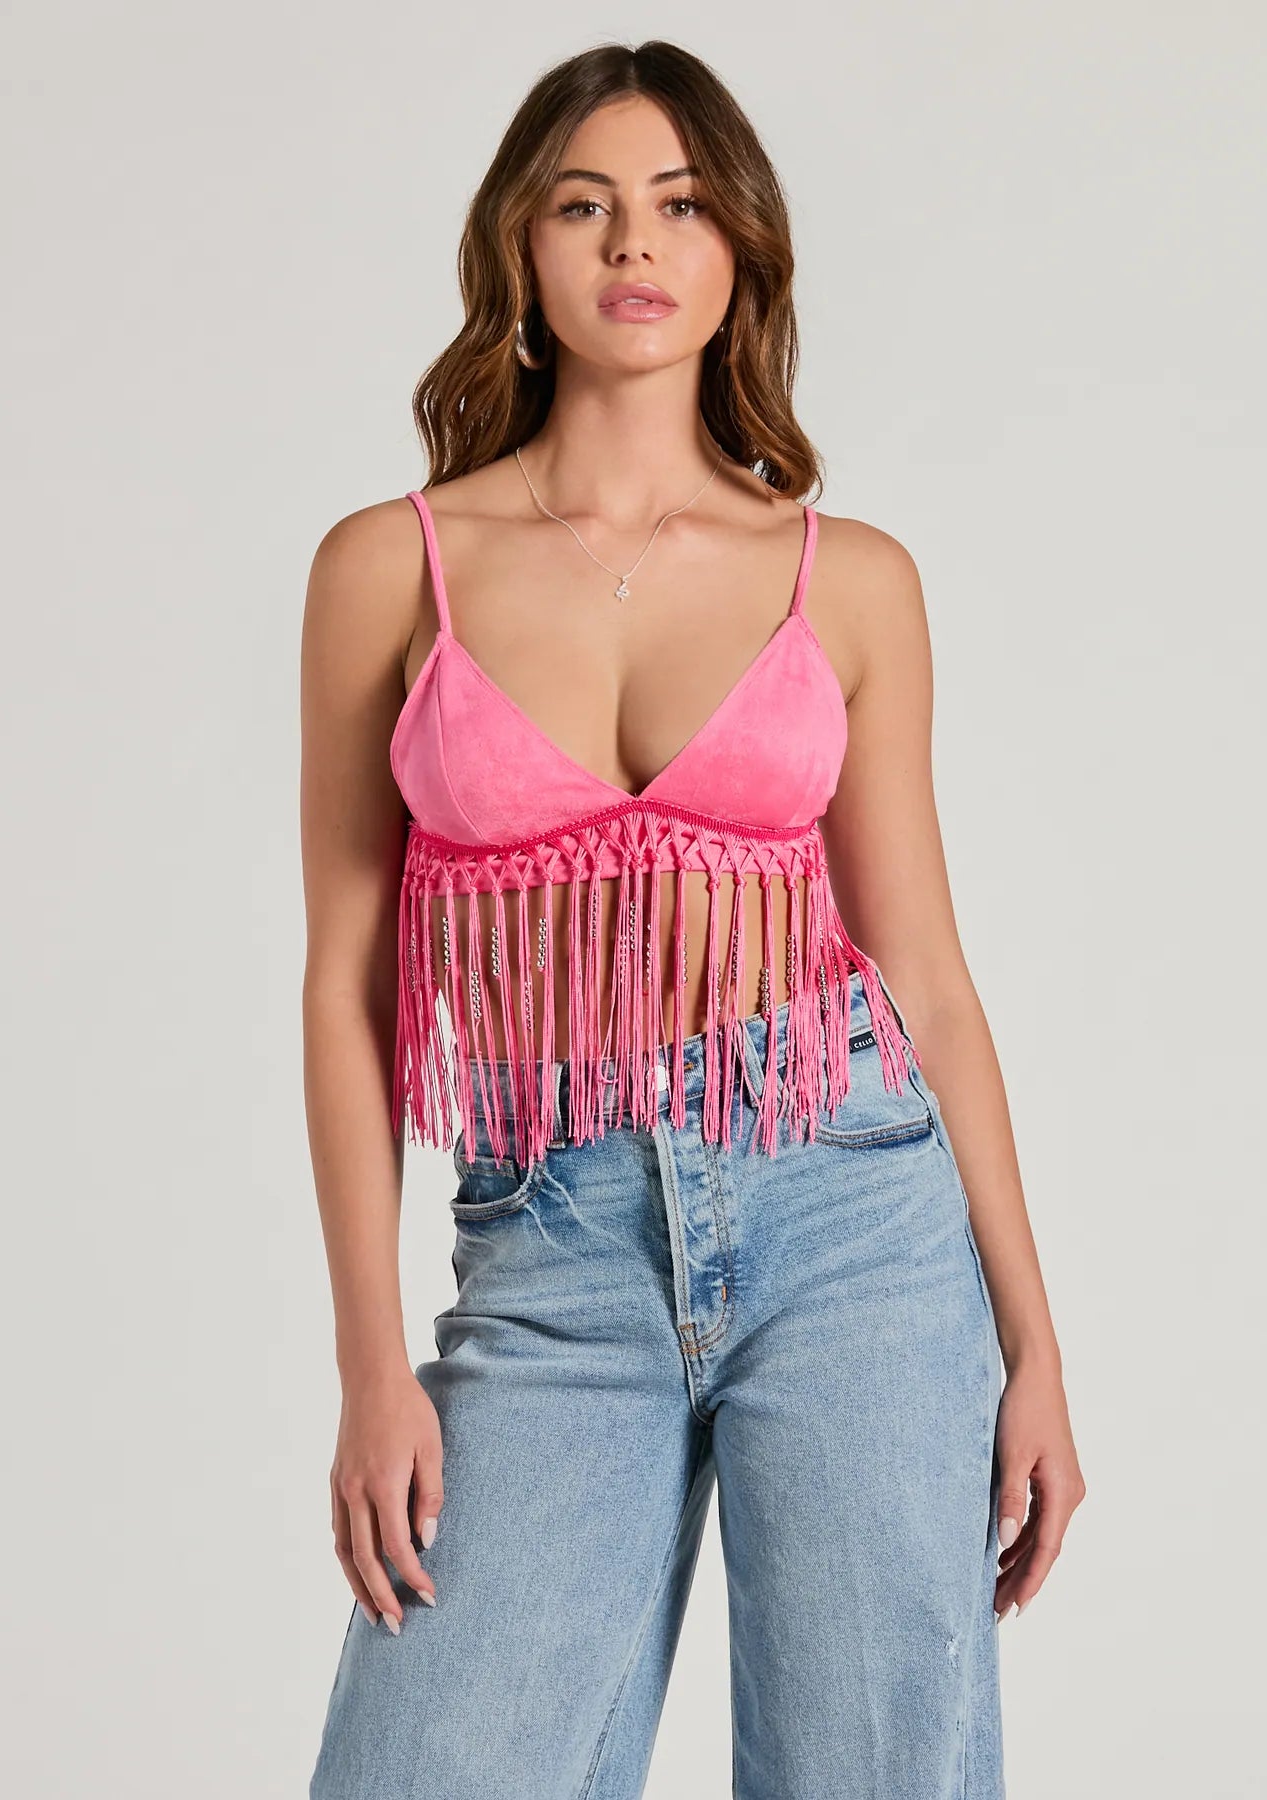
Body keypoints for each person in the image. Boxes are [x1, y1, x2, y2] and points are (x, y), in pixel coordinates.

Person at [300, 38, 1084, 1800]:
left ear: (740, 254)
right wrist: (366, 1365)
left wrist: (1032, 1344)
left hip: (855, 1214)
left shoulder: (846, 579)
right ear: (518, 251)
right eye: (581, 205)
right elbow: (346, 988)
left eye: (678, 204)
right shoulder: (390, 566)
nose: (632, 243)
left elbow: (927, 979)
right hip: (553, 1240)